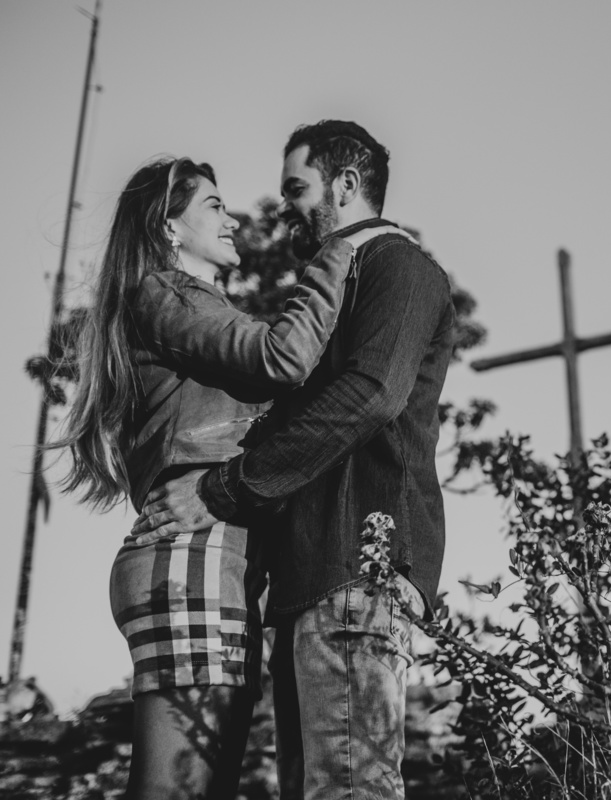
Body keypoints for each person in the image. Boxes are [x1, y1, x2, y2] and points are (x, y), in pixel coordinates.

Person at [131, 121, 457, 799]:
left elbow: (370, 395)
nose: (284, 208)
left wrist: (221, 490)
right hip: (310, 580)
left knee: (349, 787)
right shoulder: (335, 282)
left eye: (296, 189)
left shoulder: (397, 265)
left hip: (356, 565)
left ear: (345, 184)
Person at [54, 157, 393, 798]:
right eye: (213, 205)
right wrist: (340, 252)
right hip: (196, 554)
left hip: (211, 557)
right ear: (168, 225)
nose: (231, 218)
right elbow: (281, 357)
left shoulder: (190, 305)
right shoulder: (166, 292)